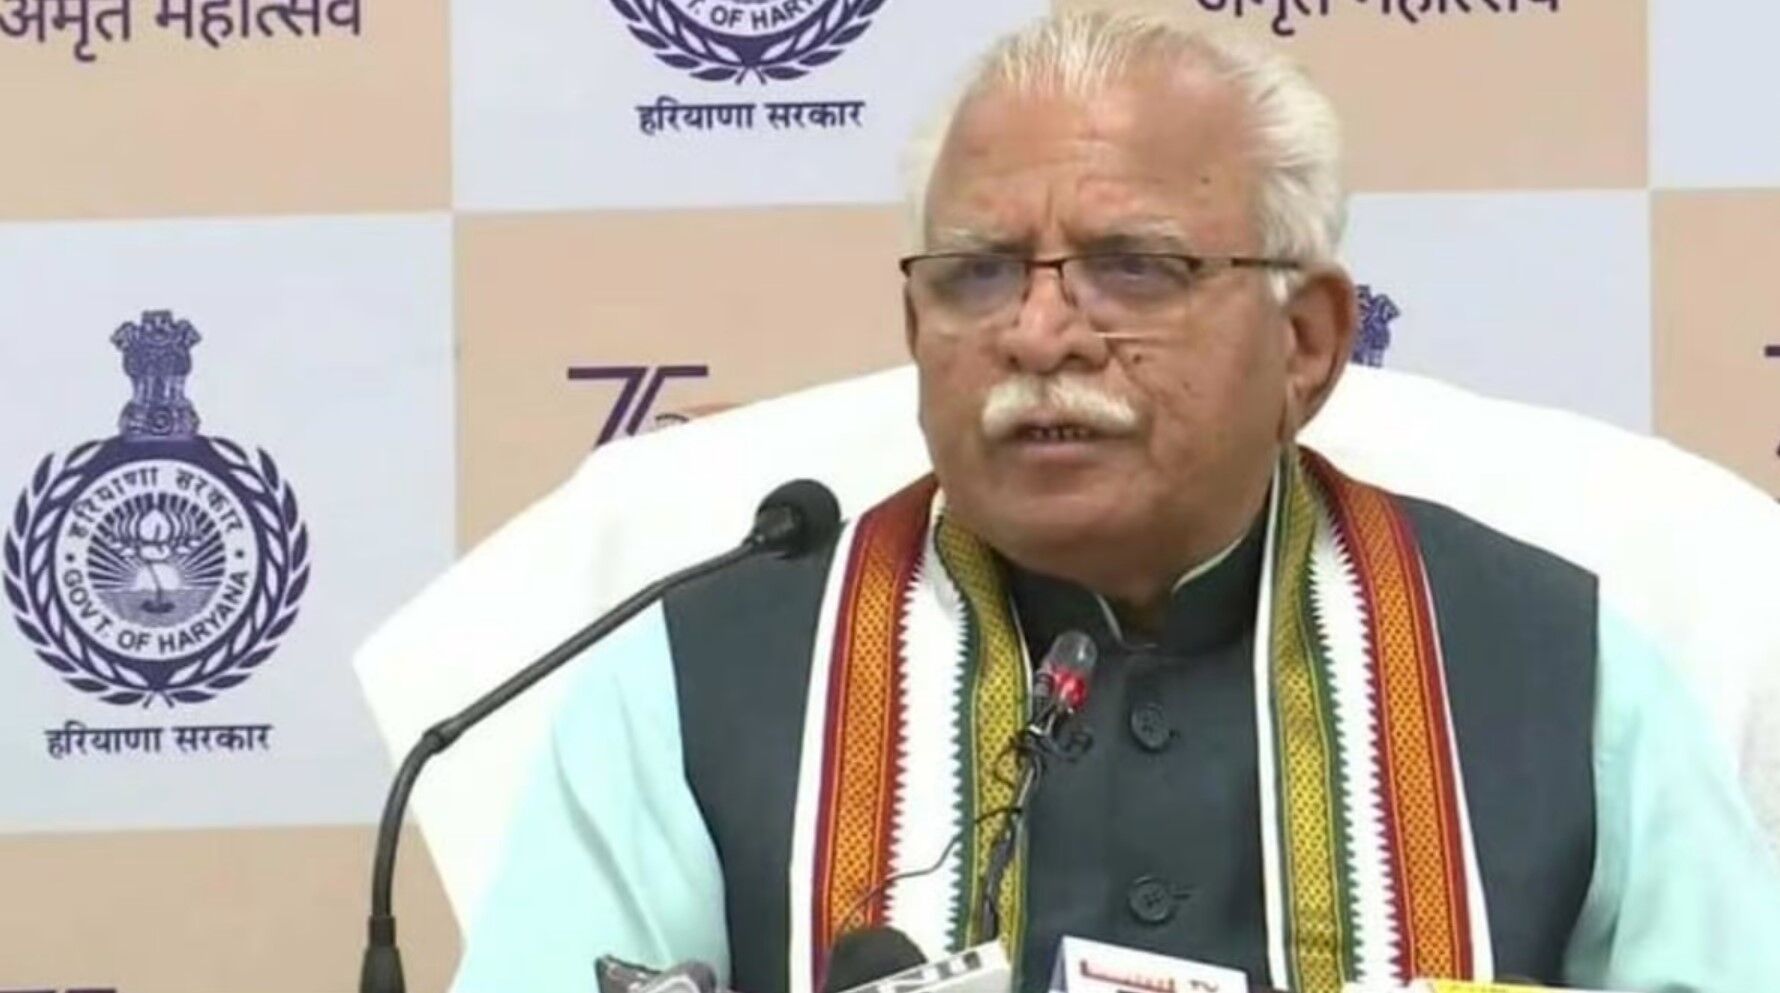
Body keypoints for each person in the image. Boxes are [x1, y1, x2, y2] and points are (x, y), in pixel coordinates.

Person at [450, 11, 1780, 993]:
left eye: (1133, 267)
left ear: (1307, 342)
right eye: (977, 273)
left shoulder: (1555, 670)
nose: (1038, 333)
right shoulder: (701, 680)